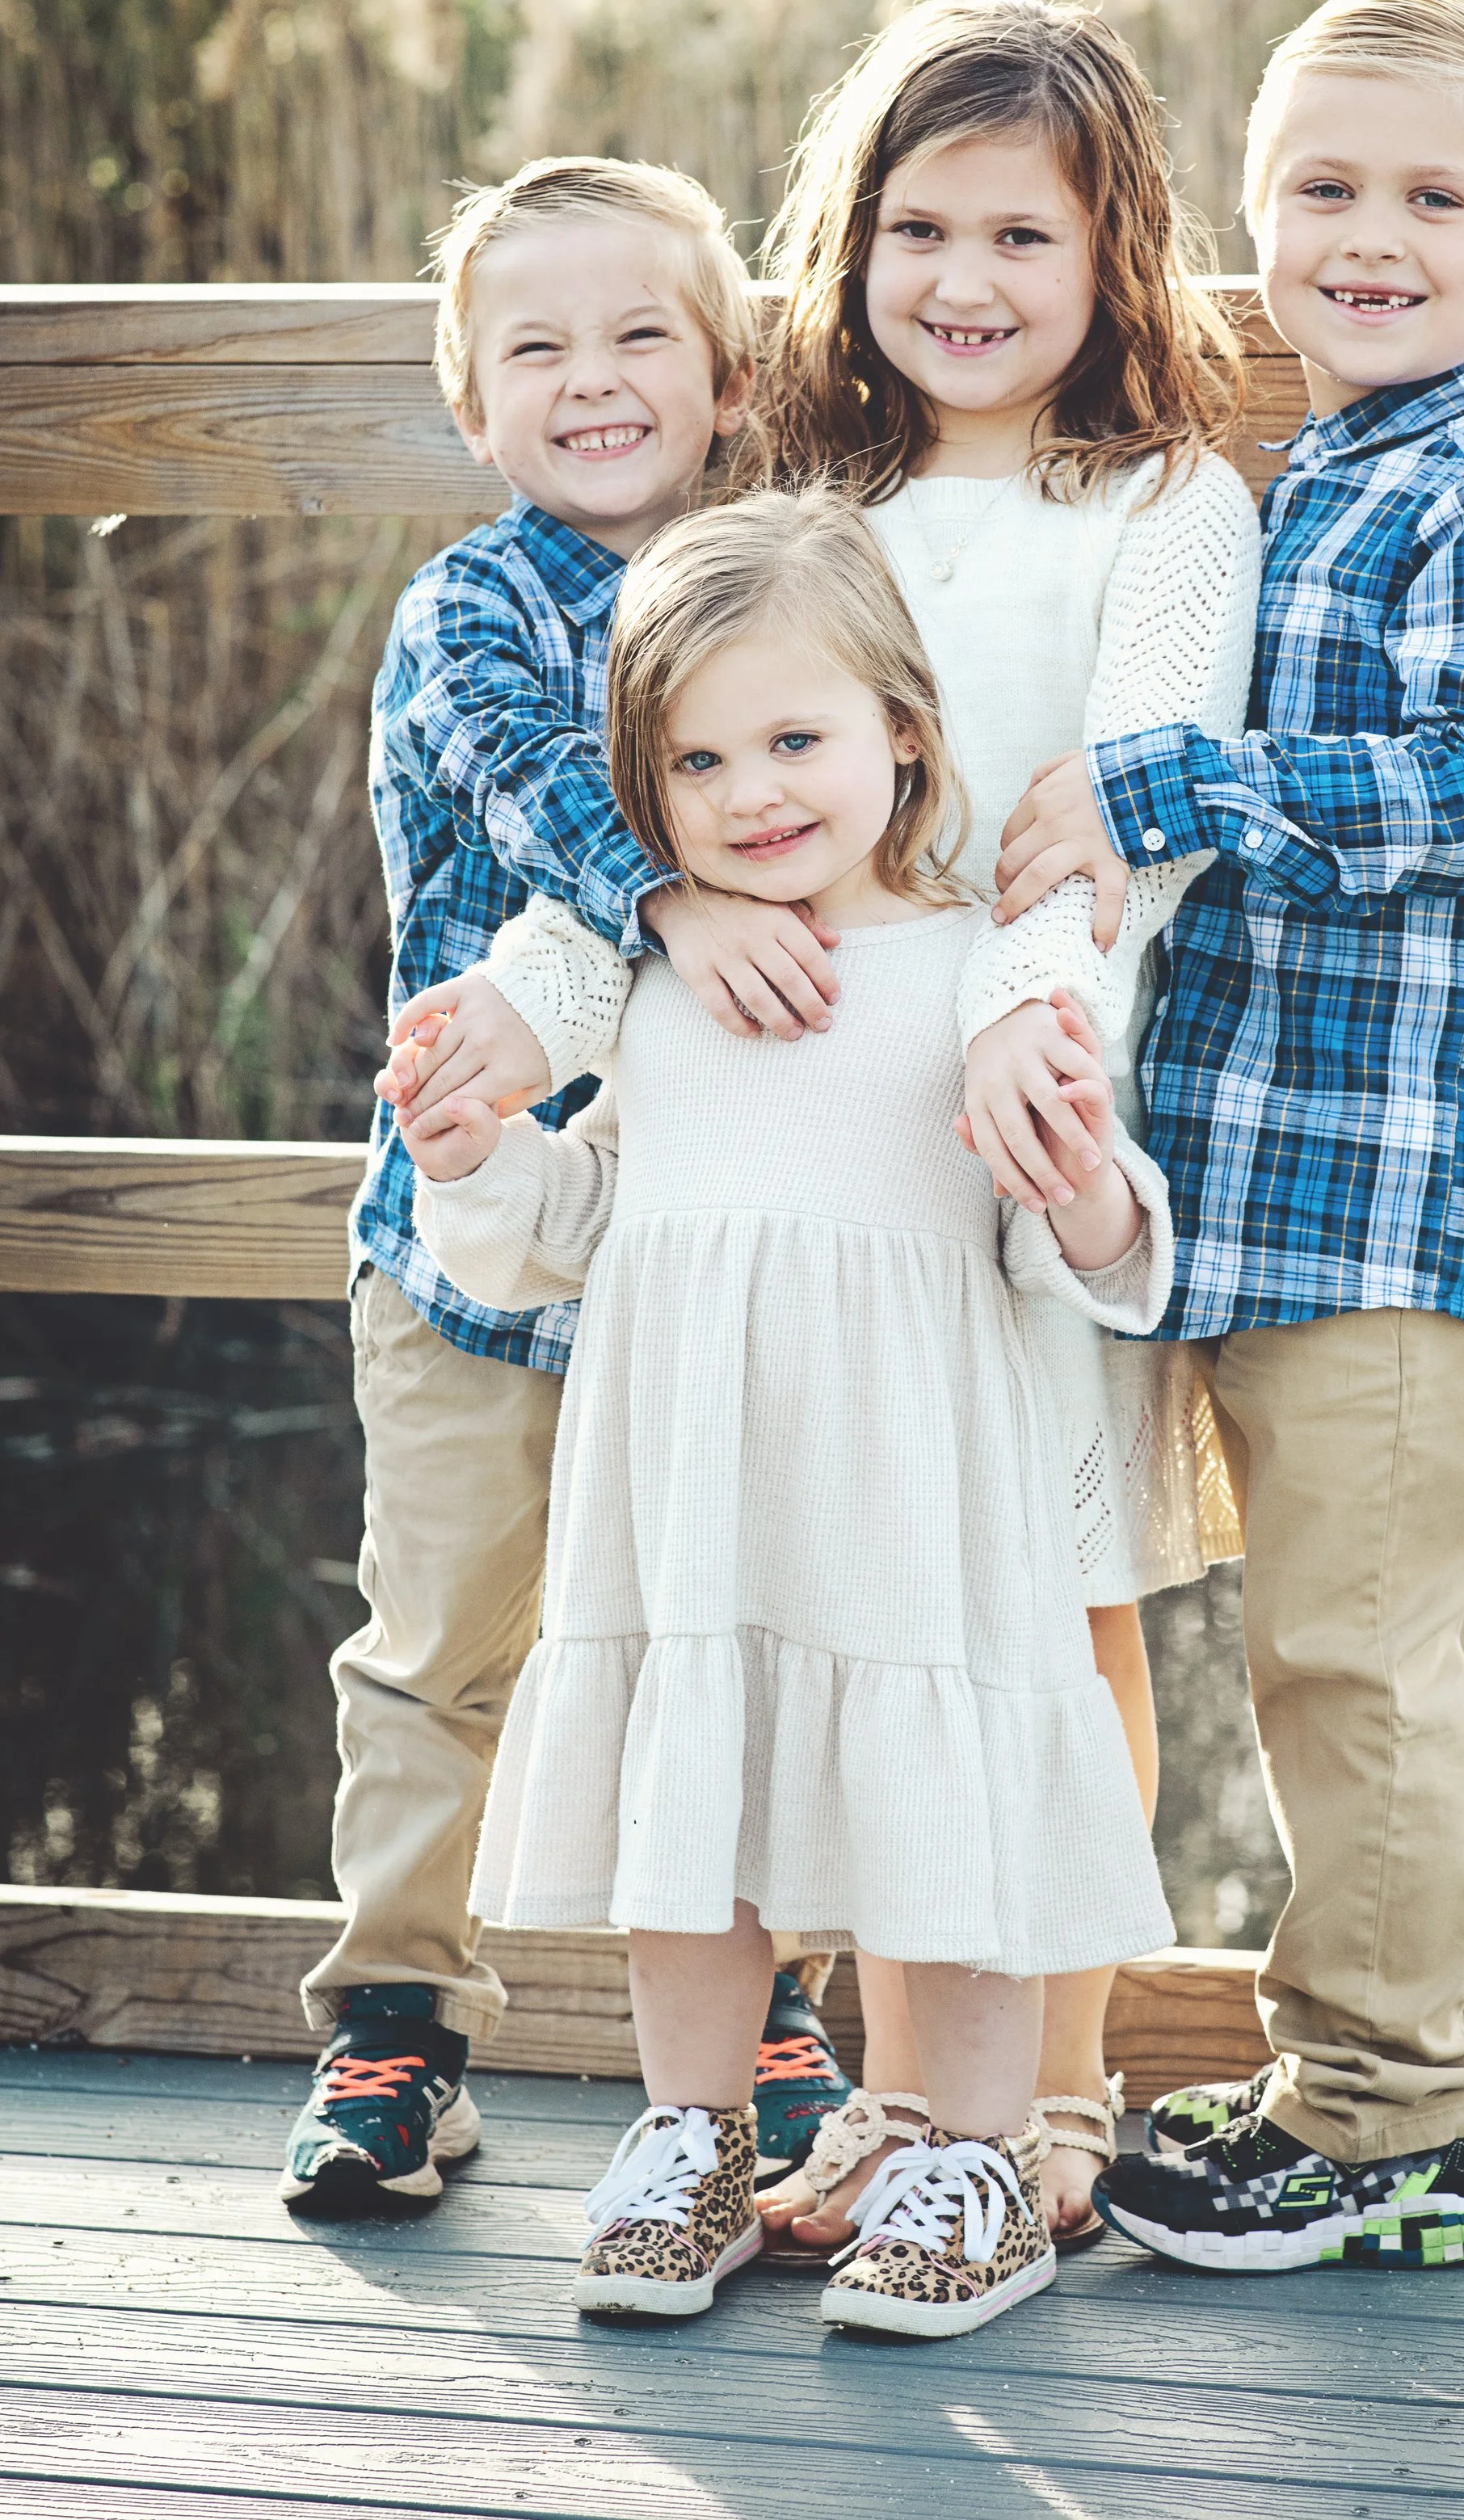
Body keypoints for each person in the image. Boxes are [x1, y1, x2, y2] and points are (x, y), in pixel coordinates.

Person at [383, 0, 1262, 2245]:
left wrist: (1017, 1019)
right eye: (915, 226)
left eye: (1019, 236)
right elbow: (704, 727)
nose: (962, 281)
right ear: (847, 243)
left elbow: (1107, 822)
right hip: (797, 1058)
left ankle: (1040, 2094)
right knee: (835, 1586)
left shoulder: (1159, 498)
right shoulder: (810, 488)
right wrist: (664, 905)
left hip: (1019, 1074)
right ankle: (879, 2103)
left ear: (1111, 254)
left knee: (1052, 1591)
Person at [992, 0, 1464, 2272]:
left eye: (1433, 196)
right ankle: (1369, 2062)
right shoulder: (1320, 469)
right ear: (1254, 220)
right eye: (1323, 190)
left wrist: (1166, 783)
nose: (1370, 234)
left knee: (1369, 1649)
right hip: (1263, 1188)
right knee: (1311, 1646)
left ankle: (1404, 2113)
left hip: (1410, 1181)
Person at [402, 490, 1176, 2337]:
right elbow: (579, 1230)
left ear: (902, 731)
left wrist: (1074, 1187)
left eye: (798, 741)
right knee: (698, 1823)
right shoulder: (654, 975)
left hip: (912, 1482)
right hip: (692, 1485)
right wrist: (472, 1159)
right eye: (700, 761)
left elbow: (1094, 1247)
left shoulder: (987, 968)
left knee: (939, 1811)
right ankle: (697, 2132)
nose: (754, 794)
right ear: (641, 793)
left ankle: (970, 2156)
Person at [282, 158, 852, 2219]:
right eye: (537, 349)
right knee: (437, 1641)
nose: (593, 382)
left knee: (745, 1618)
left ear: (726, 374)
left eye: (640, 340)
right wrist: (674, 895)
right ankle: (397, 2030)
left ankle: (771, 2007)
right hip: (470, 1242)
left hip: (714, 1242)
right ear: (471, 401)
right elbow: (541, 785)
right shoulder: (475, 608)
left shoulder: (793, 587)